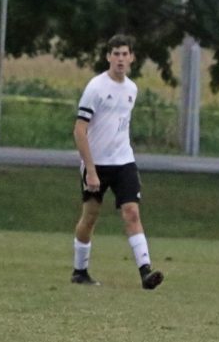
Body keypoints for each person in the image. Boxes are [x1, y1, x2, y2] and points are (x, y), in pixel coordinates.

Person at [70, 34, 164, 290]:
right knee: (90, 217)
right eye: (116, 54)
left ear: (132, 57)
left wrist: (128, 163)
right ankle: (80, 271)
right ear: (108, 57)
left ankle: (145, 271)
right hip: (96, 164)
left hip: (124, 161)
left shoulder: (132, 88)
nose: (121, 59)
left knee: (132, 212)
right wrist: (90, 171)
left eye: (125, 54)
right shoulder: (96, 88)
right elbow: (80, 130)